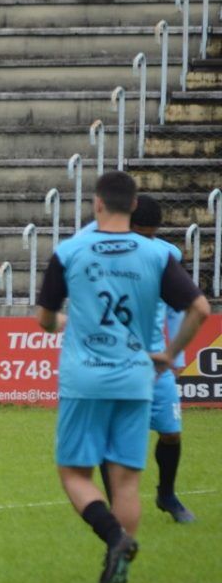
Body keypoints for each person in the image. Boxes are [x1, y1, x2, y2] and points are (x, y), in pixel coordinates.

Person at [35, 172, 209, 583]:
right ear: (134, 207)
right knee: (125, 481)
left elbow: (44, 320)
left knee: (75, 474)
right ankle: (121, 569)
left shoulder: (70, 251)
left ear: (96, 204)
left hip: (85, 379)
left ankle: (114, 538)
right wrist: (169, 354)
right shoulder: (155, 255)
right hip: (136, 377)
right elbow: (199, 308)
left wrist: (64, 320)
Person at [86, 196, 196, 522]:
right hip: (116, 363)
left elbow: (181, 306)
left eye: (151, 235)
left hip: (157, 364)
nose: (146, 242)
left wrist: (177, 355)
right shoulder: (100, 256)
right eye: (141, 234)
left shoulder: (167, 256)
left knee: (171, 432)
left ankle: (167, 495)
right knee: (111, 437)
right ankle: (117, 504)